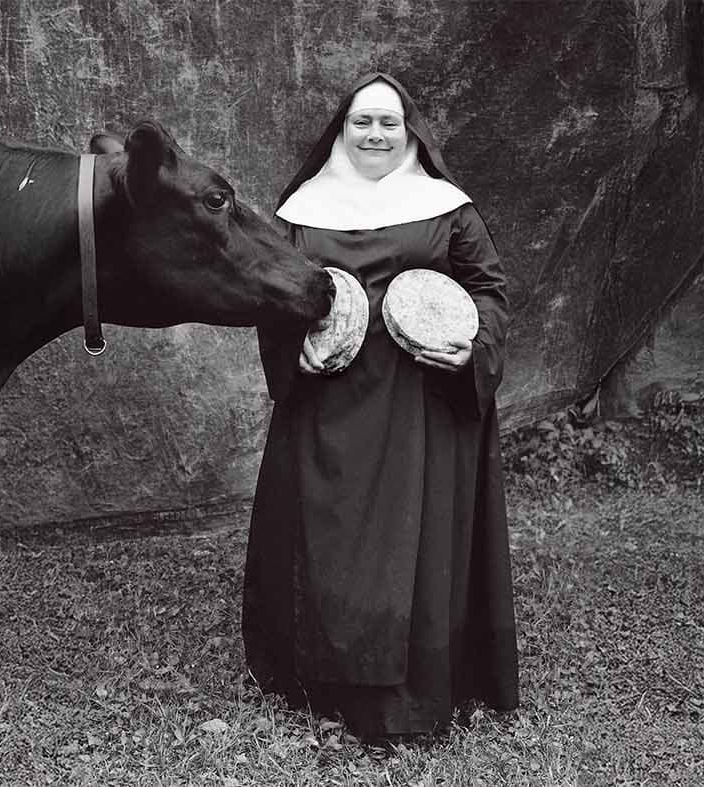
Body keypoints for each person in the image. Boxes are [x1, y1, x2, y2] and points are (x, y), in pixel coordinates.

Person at [242, 72, 518, 741]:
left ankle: (414, 693)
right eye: (362, 121)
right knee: (332, 539)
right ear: (342, 130)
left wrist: (471, 347)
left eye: (388, 123)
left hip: (421, 406)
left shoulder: (446, 206)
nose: (374, 134)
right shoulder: (303, 208)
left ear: (410, 132)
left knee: (412, 544)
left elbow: (489, 288)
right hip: (328, 407)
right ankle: (326, 679)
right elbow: (272, 293)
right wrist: (291, 350)